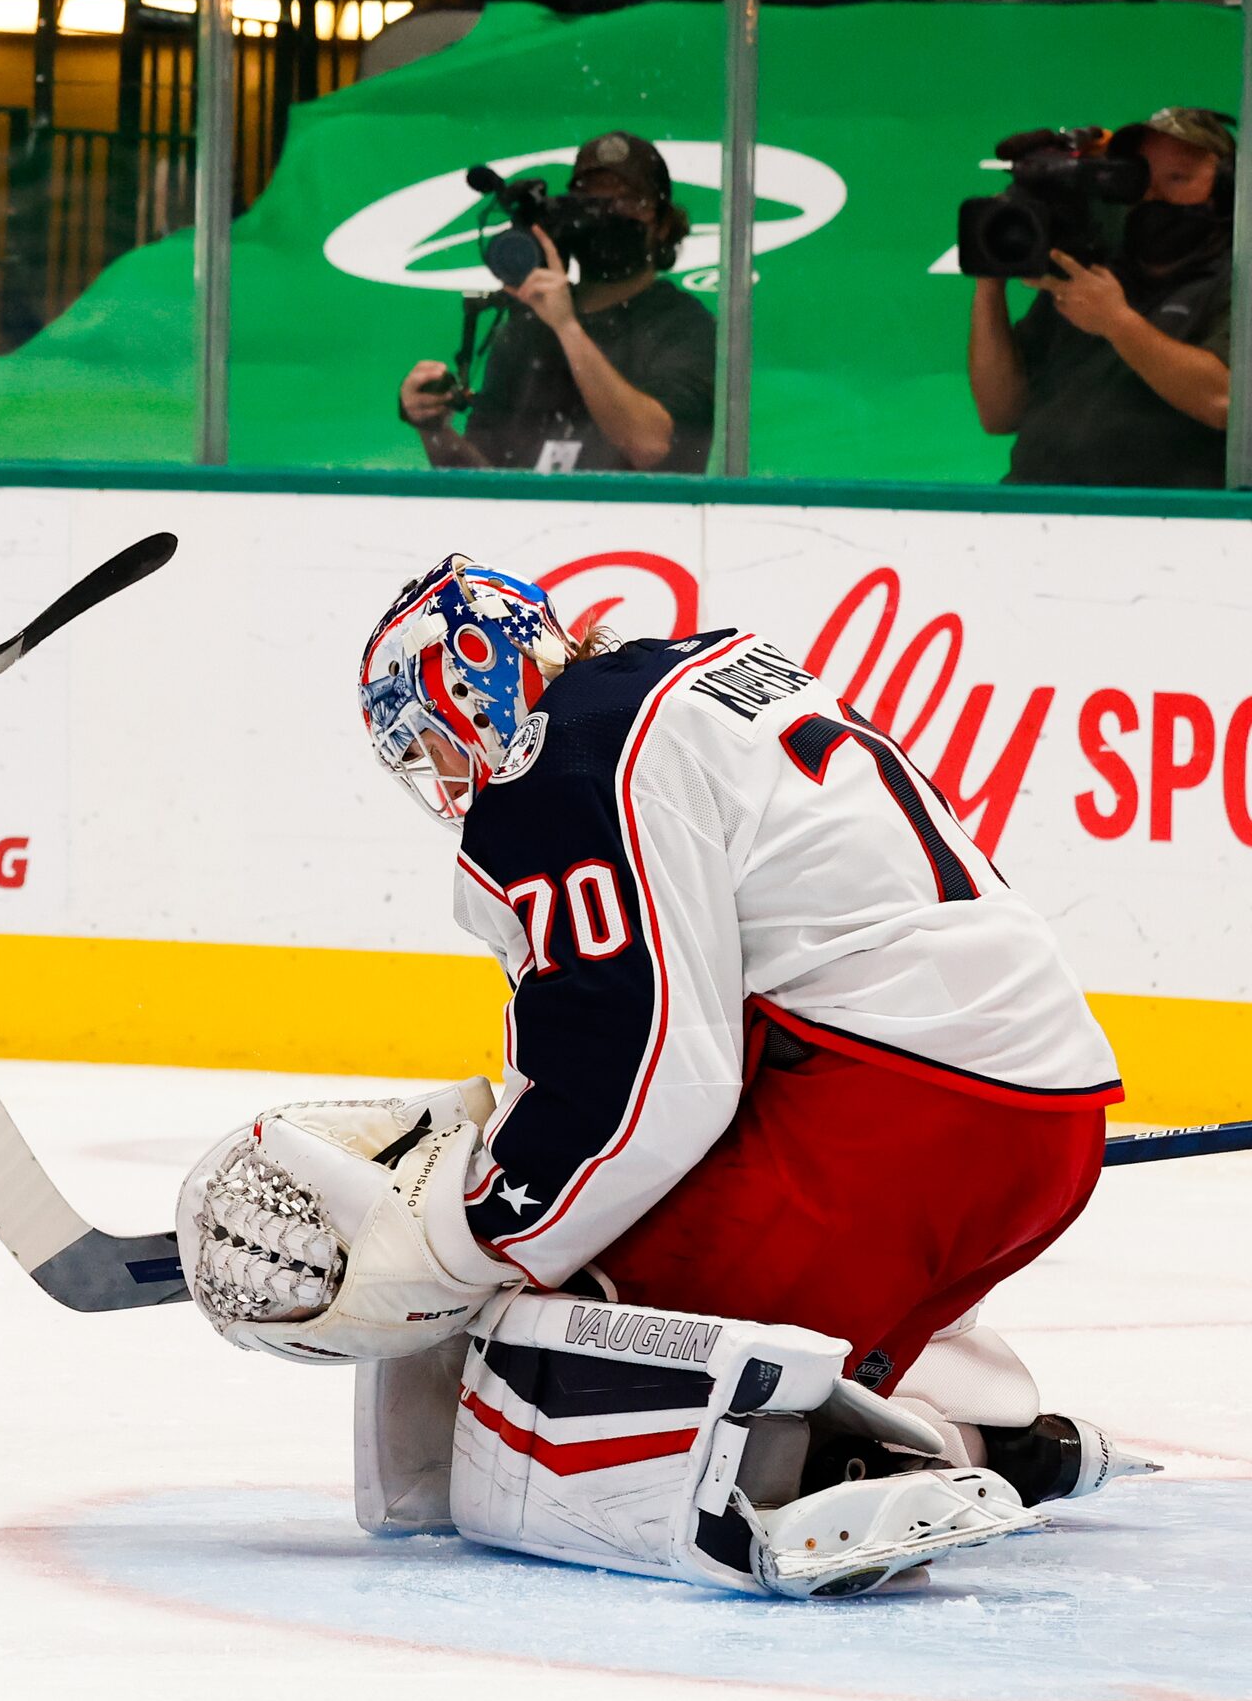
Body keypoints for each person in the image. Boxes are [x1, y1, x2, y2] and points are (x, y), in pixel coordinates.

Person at [176, 558, 1145, 1599]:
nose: (448, 777)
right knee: (687, 1272)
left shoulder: (565, 758)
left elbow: (646, 1084)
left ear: (478, 679)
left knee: (559, 1327)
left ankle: (862, 1468)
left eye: (436, 738)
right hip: (1032, 1128)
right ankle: (1003, 1435)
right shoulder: (704, 675)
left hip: (897, 1118)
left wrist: (468, 1238)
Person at [397, 132, 714, 474]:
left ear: (664, 225)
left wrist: (567, 328)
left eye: (626, 202)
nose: (605, 215)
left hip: (635, 526)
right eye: (590, 201)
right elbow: (484, 480)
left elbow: (650, 445)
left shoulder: (685, 326)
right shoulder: (526, 332)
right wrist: (432, 429)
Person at [967, 106, 1235, 489]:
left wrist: (1116, 322)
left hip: (1163, 524)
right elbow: (998, 414)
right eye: (1140, 177)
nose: (1153, 193)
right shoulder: (1088, 271)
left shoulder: (1235, 283)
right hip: (1030, 509)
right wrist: (990, 283)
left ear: (1226, 189)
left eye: (1179, 177)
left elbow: (1223, 402)